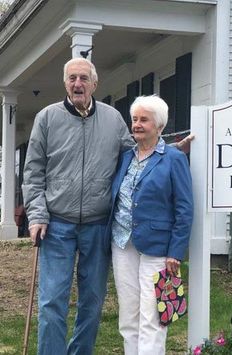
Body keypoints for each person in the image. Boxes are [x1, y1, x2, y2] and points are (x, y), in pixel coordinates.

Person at [22, 58, 192, 355]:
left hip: (98, 227)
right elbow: (33, 172)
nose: (78, 84)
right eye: (72, 78)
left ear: (94, 84)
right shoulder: (47, 118)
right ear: (65, 83)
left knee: (92, 302)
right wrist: (37, 215)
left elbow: (142, 150)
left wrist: (175, 150)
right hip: (57, 225)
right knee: (51, 302)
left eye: (84, 78)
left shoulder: (113, 119)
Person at [108, 95, 193, 354]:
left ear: (159, 126)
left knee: (153, 317)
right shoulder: (125, 157)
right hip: (122, 243)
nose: (137, 124)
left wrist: (176, 251)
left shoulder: (174, 159)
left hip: (158, 248)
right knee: (128, 316)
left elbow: (184, 207)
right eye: (134, 119)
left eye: (144, 120)